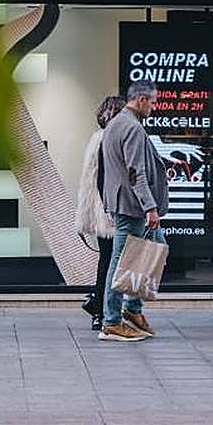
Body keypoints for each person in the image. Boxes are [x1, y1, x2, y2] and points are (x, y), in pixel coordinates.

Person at [98, 80, 170, 342]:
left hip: (126, 204)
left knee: (155, 250)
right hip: (133, 206)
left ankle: (132, 309)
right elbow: (135, 173)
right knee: (120, 262)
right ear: (140, 100)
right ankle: (112, 321)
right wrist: (150, 207)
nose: (155, 106)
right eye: (152, 101)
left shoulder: (116, 124)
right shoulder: (131, 128)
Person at [75, 95, 126, 331]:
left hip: (101, 210)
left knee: (106, 261)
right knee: (114, 262)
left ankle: (99, 307)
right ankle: (102, 308)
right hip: (112, 210)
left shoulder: (97, 139)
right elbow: (111, 179)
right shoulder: (114, 141)